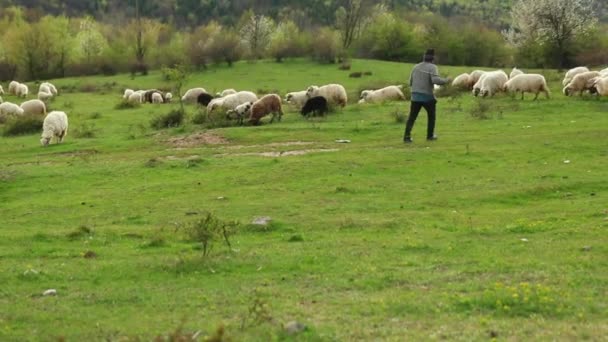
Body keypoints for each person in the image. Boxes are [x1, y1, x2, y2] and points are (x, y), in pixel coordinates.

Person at [404, 49, 450, 143]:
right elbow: (435, 80)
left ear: (424, 57)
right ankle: (430, 135)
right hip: (427, 96)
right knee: (431, 116)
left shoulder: (415, 67)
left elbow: (410, 82)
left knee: (412, 117)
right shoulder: (432, 67)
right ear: (433, 58)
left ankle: (407, 137)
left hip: (415, 96)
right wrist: (446, 80)